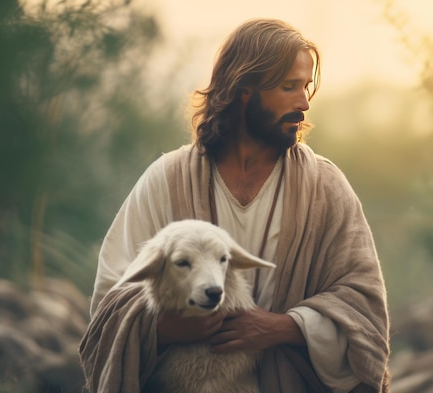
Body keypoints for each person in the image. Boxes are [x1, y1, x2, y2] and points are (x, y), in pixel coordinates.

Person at [80, 18, 390, 393]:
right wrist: (163, 327)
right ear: (244, 89)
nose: (304, 102)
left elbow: (364, 307)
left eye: (305, 87)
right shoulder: (168, 179)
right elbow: (109, 302)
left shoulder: (324, 186)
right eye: (288, 87)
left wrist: (284, 327)